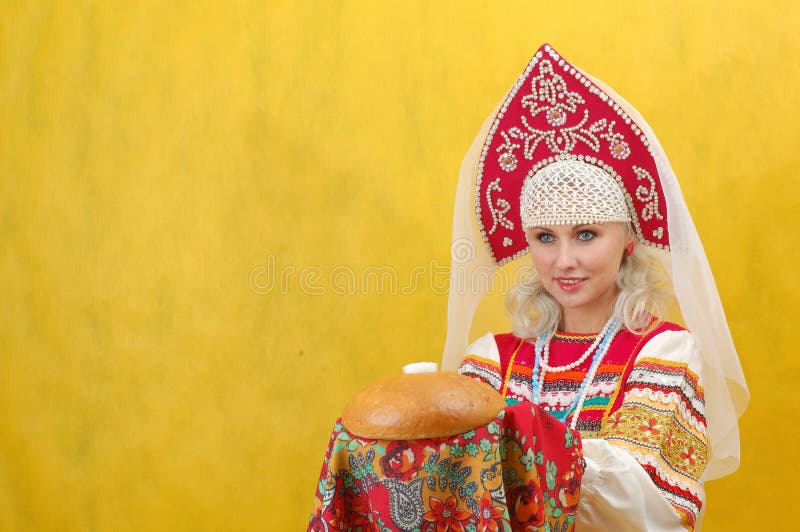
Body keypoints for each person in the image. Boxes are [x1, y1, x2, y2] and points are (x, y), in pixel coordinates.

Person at [442, 43, 748, 530]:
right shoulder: (490, 359)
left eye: (586, 234)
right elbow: (454, 494)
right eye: (546, 238)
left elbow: (647, 510)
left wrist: (514, 439)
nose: (565, 261)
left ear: (628, 239)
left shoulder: (665, 352)